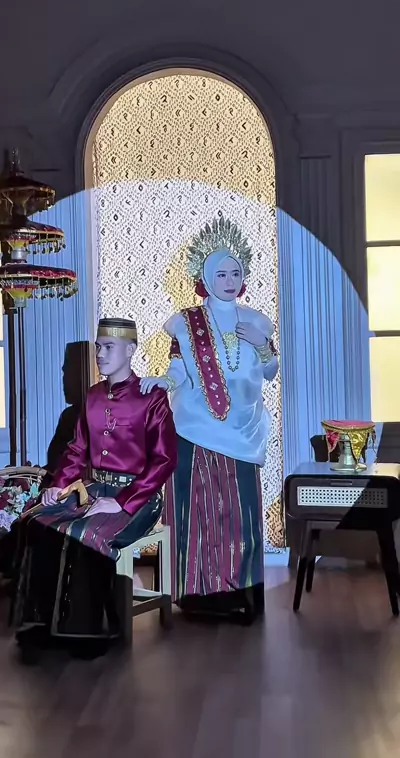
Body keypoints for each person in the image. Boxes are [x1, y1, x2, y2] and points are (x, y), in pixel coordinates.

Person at [13, 317, 177, 660]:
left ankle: (91, 632)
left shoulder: (152, 397)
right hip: (94, 490)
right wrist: (58, 486)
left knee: (85, 534)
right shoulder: (93, 396)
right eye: (99, 347)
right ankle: (42, 625)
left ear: (130, 350)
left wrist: (122, 503)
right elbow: (77, 451)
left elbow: (164, 461)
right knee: (36, 522)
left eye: (109, 347)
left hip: (139, 498)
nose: (100, 354)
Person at [141, 218, 279, 624]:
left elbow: (269, 373)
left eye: (235, 273)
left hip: (243, 431)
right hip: (194, 427)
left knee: (241, 513)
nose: (229, 281)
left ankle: (242, 594)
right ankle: (197, 595)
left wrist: (264, 347)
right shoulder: (187, 323)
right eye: (221, 274)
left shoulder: (257, 322)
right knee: (195, 512)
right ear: (204, 279)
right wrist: (163, 381)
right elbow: (178, 370)